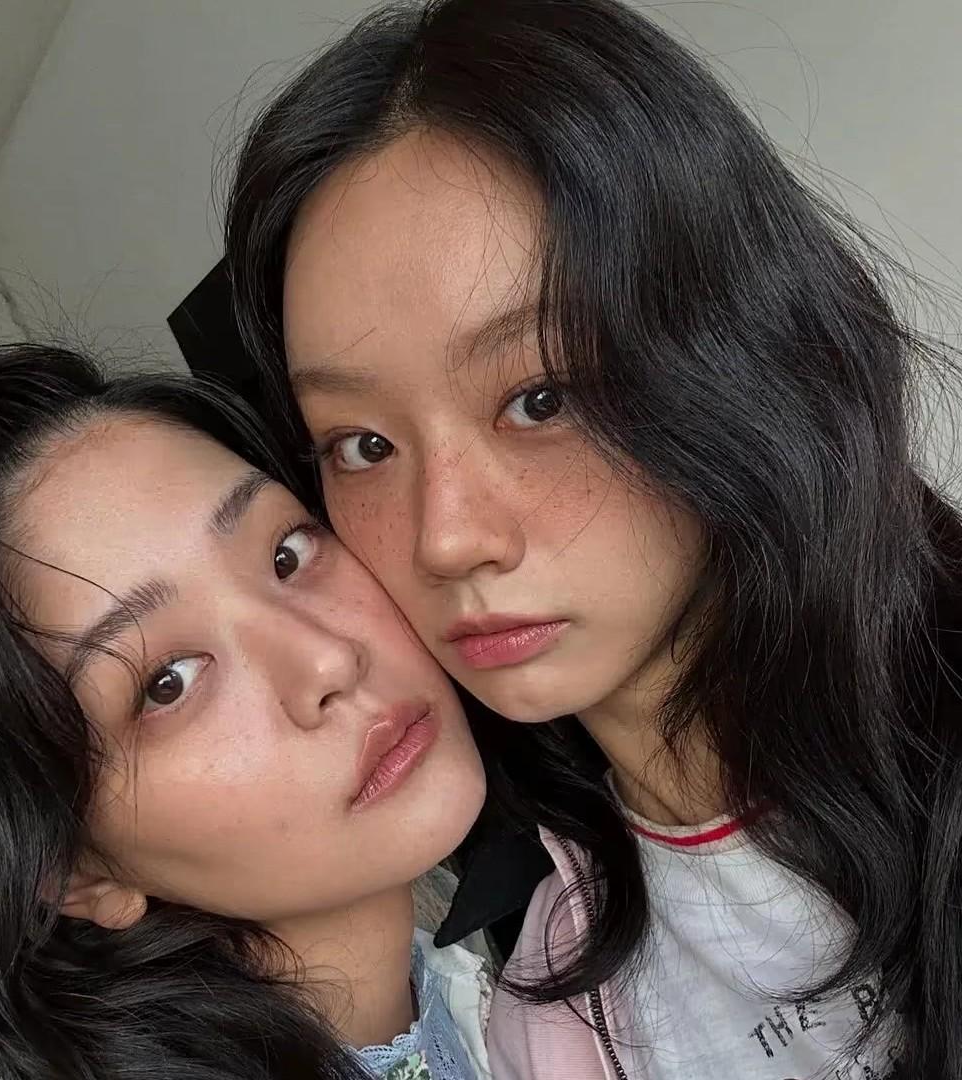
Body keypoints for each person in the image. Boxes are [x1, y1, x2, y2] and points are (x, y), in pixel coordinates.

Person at [223, 1, 962, 1077]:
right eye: (363, 445)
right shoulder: (553, 1011)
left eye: (541, 397)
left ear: (732, 344)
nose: (445, 539)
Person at [0, 344, 493, 1080]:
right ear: (75, 878)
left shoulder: (488, 987)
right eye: (166, 682)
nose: (329, 659)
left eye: (287, 555)